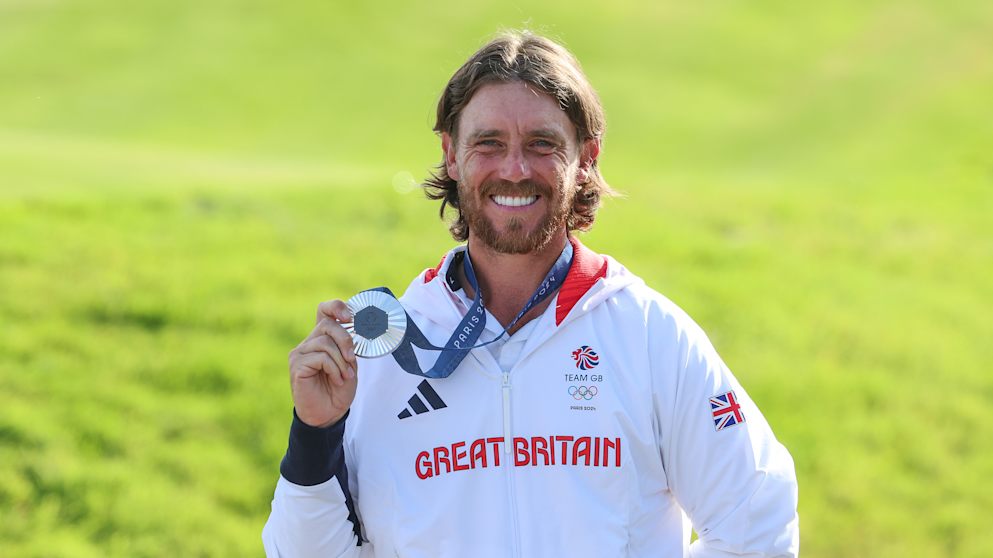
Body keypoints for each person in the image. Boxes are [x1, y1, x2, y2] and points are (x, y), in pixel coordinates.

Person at [263, 31, 799, 557]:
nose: (514, 169)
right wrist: (315, 433)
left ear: (585, 157)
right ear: (451, 155)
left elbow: (758, 523)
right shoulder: (387, 351)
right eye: (488, 143)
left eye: (542, 144)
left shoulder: (648, 336)